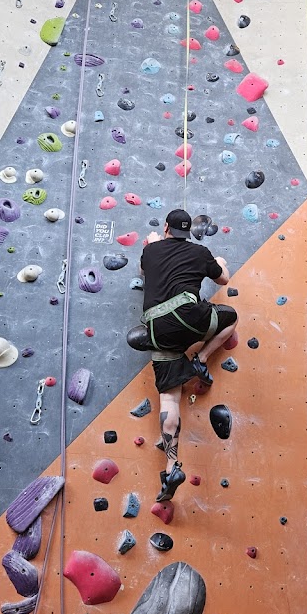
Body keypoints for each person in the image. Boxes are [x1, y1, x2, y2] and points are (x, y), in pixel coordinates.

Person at [126, 209, 238, 503]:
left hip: (160, 330)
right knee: (230, 318)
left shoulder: (150, 251)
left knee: (169, 399)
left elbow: (143, 272)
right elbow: (224, 279)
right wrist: (220, 263)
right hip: (192, 320)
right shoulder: (200, 252)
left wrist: (151, 244)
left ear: (166, 228)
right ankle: (201, 359)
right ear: (187, 232)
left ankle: (172, 466)